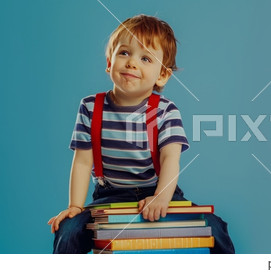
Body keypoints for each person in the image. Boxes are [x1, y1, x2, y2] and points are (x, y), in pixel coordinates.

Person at [47, 14, 235, 254]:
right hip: (109, 195)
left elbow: (170, 159)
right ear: (109, 62)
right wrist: (75, 205)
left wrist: (161, 197)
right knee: (69, 230)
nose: (132, 63)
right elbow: (83, 162)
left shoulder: (166, 111)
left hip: (159, 190)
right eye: (124, 53)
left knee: (216, 228)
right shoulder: (90, 107)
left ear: (162, 75)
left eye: (145, 58)